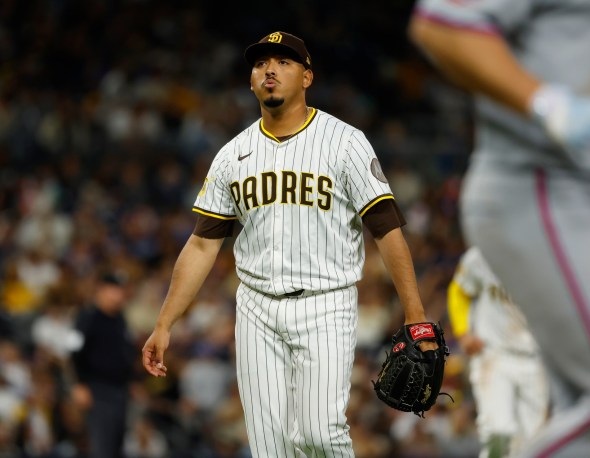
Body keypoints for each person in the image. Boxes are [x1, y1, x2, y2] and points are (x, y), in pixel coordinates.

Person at [141, 31, 438, 457]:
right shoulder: (232, 154)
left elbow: (387, 230)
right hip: (256, 307)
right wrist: (165, 322)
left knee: (319, 434)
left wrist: (416, 316)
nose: (270, 70)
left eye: (283, 62)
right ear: (251, 81)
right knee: (269, 446)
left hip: (326, 302)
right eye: (262, 64)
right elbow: (202, 245)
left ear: (307, 77)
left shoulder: (345, 142)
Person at [408, 2, 590, 457]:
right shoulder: (473, 271)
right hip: (546, 181)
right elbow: (441, 23)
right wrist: (545, 101)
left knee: (588, 421)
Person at [447, 246, 549, 457]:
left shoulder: (548, 254)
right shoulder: (484, 252)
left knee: (534, 441)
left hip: (535, 359)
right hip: (494, 355)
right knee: (498, 434)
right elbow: (459, 290)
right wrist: (463, 333)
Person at [70, 271, 138, 458]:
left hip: (120, 389)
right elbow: (74, 351)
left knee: (117, 443)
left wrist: (131, 380)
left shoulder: (119, 319)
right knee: (103, 445)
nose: (118, 295)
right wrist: (79, 383)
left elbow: (124, 353)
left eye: (120, 291)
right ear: (100, 290)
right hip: (97, 389)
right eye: (113, 290)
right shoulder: (87, 317)